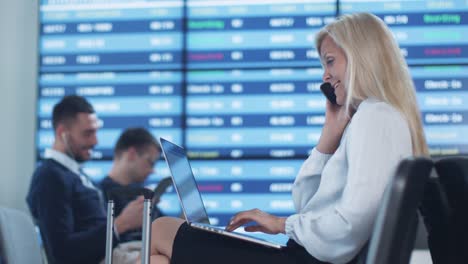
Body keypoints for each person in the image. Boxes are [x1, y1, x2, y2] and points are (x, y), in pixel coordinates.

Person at [144, 13, 429, 264]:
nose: (325, 75)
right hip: (307, 255)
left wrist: (280, 224)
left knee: (159, 231)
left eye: (330, 61)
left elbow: (349, 226)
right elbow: (306, 203)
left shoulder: (375, 116)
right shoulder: (375, 118)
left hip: (307, 260)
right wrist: (328, 137)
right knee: (157, 258)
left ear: (361, 57)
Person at [27, 95, 144, 264]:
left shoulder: (75, 175)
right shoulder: (50, 177)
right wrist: (120, 224)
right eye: (88, 133)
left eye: (95, 132)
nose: (95, 141)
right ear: (62, 133)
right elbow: (62, 253)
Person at [100, 127, 164, 242]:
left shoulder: (141, 195)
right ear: (132, 154)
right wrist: (124, 223)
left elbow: (169, 230)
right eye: (151, 162)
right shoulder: (99, 195)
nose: (152, 171)